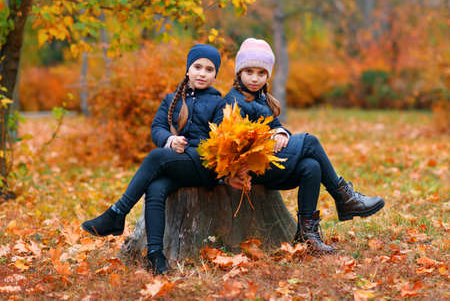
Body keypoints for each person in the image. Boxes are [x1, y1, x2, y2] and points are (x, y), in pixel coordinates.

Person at [224, 38, 385, 254]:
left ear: (267, 75)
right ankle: (343, 196)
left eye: (261, 73)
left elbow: (275, 126)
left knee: (311, 167)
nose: (254, 78)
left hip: (272, 165)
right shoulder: (233, 101)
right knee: (310, 141)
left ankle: (307, 235)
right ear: (239, 73)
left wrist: (280, 132)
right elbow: (232, 143)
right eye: (249, 71)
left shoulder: (261, 99)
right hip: (254, 169)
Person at [82, 44, 226, 274]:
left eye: (209, 69)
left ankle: (117, 213)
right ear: (188, 69)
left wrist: (186, 146)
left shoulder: (220, 103)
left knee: (157, 156)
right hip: (179, 166)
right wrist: (170, 140)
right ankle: (155, 255)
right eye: (197, 67)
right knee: (156, 188)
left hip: (204, 166)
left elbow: (219, 140)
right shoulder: (172, 99)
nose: (202, 73)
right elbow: (157, 128)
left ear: (215, 75)